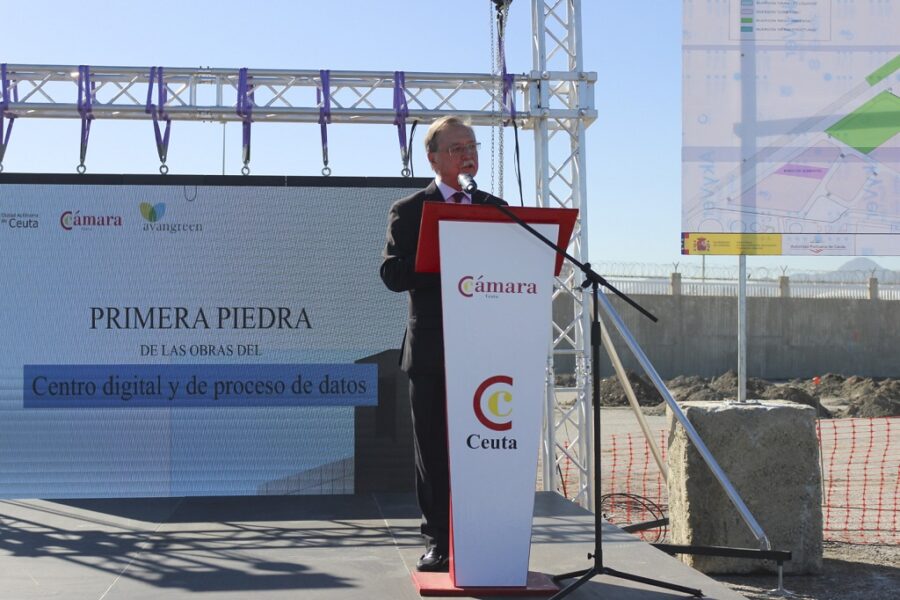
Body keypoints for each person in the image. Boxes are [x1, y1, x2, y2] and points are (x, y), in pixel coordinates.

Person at [380, 116, 506, 572]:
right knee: (433, 452)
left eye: (471, 145)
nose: (467, 153)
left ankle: (486, 535)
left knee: (486, 447)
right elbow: (392, 274)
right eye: (456, 147)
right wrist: (445, 266)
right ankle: (437, 541)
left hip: (487, 350)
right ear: (432, 158)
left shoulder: (497, 207)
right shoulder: (409, 209)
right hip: (433, 349)